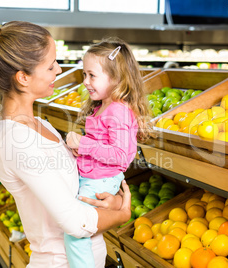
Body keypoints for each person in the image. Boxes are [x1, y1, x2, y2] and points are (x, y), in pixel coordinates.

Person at [0, 21, 131, 268]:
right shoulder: (17, 142)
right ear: (23, 77)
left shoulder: (41, 125)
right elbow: (75, 223)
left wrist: (114, 200)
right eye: (51, 65)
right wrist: (122, 213)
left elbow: (81, 189)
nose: (58, 69)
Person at [64, 37, 150, 268]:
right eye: (84, 75)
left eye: (92, 75)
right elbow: (102, 146)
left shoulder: (118, 110)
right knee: (84, 233)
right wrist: (80, 152)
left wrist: (83, 145)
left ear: (116, 78)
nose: (85, 82)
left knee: (77, 232)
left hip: (100, 182)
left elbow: (121, 156)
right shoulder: (104, 106)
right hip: (95, 178)